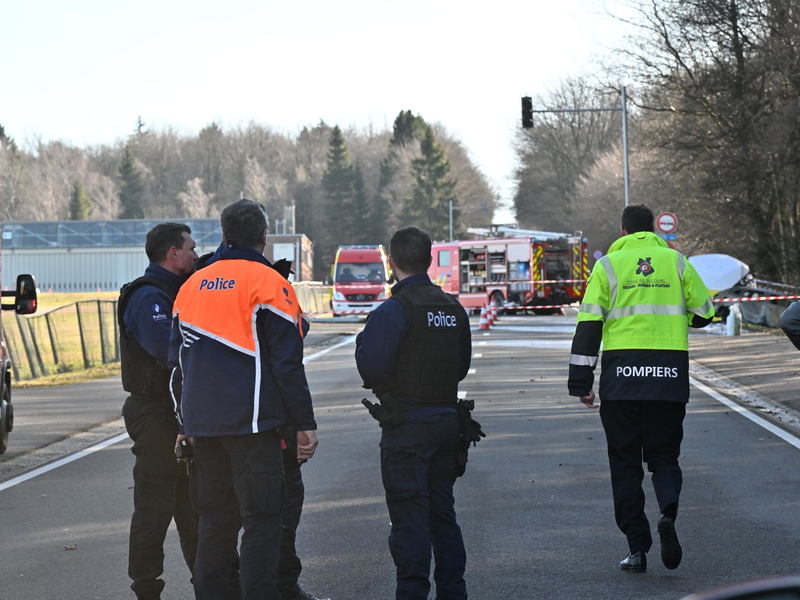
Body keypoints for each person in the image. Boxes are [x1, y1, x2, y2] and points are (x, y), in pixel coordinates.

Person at [169, 199, 318, 600]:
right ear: (264, 238)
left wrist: (185, 425)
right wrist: (305, 423)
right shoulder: (269, 282)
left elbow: (176, 367)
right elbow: (288, 364)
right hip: (254, 427)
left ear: (223, 235)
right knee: (262, 522)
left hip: (203, 428)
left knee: (214, 523)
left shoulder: (190, 286)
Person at [568, 204, 715, 573]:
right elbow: (706, 313)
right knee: (664, 457)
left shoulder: (606, 267)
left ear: (622, 232)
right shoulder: (676, 261)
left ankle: (637, 549)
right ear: (653, 230)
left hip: (621, 382)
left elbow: (588, 327)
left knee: (625, 465)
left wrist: (581, 383)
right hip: (668, 378)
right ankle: (667, 512)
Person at [355, 226, 477, 600]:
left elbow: (370, 368)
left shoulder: (395, 309)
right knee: (443, 516)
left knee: (409, 521)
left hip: (407, 428)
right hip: (446, 423)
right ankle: (453, 593)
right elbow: (460, 366)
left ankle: (412, 594)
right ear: (429, 260)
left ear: (392, 263)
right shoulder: (452, 306)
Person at [118, 222, 199, 600]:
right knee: (154, 510)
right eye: (192, 249)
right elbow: (168, 349)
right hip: (154, 413)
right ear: (173, 253)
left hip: (179, 414)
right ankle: (147, 590)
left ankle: (212, 583)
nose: (197, 257)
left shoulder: (175, 292)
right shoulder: (149, 297)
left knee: (194, 509)